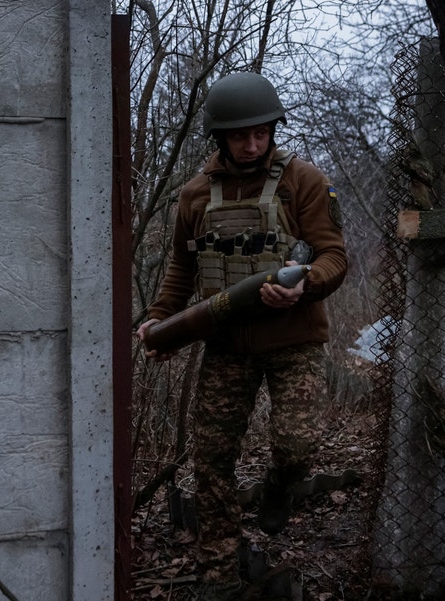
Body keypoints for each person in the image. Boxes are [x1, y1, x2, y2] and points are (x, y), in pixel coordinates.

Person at [136, 72, 347, 599]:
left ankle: (279, 487)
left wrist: (305, 287)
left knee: (298, 446)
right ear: (220, 138)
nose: (251, 145)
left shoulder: (305, 181)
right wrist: (159, 319)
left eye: (260, 133)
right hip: (227, 344)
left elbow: (334, 257)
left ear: (272, 131)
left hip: (293, 341)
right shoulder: (194, 195)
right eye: (239, 136)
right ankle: (218, 575)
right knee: (211, 458)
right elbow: (182, 275)